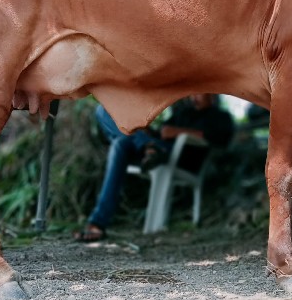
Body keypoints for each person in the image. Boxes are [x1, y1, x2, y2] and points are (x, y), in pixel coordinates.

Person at [74, 94, 234, 242]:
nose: (194, 97)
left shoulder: (220, 117)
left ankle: (97, 223)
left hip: (178, 157)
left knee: (120, 143)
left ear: (212, 95)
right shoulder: (184, 112)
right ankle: (147, 145)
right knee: (104, 112)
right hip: (155, 152)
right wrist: (145, 130)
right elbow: (161, 132)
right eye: (193, 93)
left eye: (200, 93)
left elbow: (220, 139)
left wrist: (176, 132)